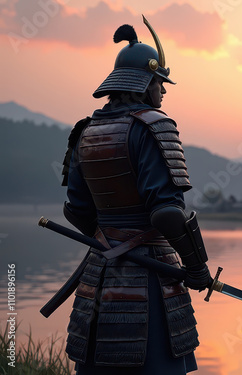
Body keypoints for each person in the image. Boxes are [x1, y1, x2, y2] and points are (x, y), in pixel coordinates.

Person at [60, 16, 211, 374]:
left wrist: (110, 240)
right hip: (150, 282)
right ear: (144, 83)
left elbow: (76, 210)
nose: (164, 91)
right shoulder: (155, 126)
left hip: (98, 276)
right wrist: (196, 267)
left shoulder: (86, 131)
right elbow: (168, 214)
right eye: (161, 83)